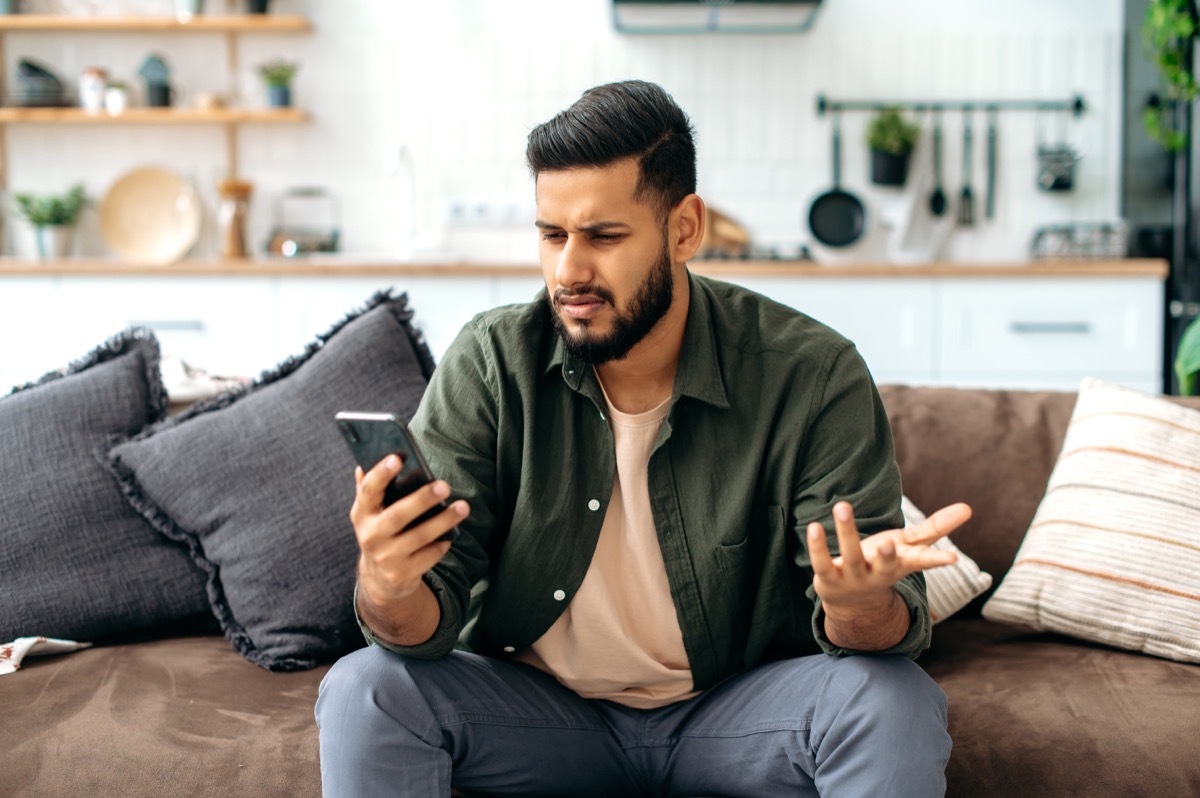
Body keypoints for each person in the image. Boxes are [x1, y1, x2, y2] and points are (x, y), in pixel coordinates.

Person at [316, 79, 972, 797]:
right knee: (366, 687)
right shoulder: (491, 361)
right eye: (552, 235)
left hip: (737, 714)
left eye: (603, 236)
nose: (569, 270)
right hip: (539, 719)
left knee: (892, 699)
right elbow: (416, 626)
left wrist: (854, 604)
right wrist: (389, 582)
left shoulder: (814, 374)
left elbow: (881, 632)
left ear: (684, 228)